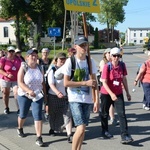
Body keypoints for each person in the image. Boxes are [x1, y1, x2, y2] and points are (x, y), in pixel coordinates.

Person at [63, 36, 99, 150]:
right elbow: (66, 83)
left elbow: (94, 82)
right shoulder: (70, 61)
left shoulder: (90, 61)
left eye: (85, 45)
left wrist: (97, 100)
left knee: (82, 130)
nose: (84, 47)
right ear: (75, 47)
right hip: (75, 98)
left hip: (87, 99)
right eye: (81, 45)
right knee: (81, 128)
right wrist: (85, 83)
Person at [100, 47, 133, 144]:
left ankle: (125, 135)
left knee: (121, 114)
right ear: (110, 56)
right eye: (114, 56)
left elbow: (124, 79)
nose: (116, 58)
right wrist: (111, 94)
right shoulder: (107, 66)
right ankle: (105, 131)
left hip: (118, 93)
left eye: (118, 56)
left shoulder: (122, 65)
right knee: (105, 113)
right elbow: (104, 82)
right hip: (106, 93)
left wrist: (127, 92)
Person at [17, 49, 46, 147]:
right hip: (24, 95)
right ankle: (20, 128)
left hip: (37, 95)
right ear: (27, 57)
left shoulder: (40, 68)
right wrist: (29, 91)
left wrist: (45, 96)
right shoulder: (24, 67)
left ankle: (39, 137)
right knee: (23, 114)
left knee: (38, 115)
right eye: (32, 55)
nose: (34, 57)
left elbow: (43, 83)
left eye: (35, 55)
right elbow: (20, 82)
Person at [99, 48, 119, 126]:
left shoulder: (114, 62)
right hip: (104, 84)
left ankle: (112, 117)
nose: (110, 54)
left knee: (112, 103)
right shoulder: (103, 62)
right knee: (108, 103)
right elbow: (103, 74)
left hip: (114, 85)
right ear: (105, 54)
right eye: (109, 53)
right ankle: (109, 118)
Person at [0, 46, 22, 114]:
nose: (12, 53)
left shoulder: (18, 59)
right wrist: (7, 74)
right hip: (5, 79)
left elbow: (22, 67)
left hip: (16, 79)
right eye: (10, 51)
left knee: (16, 93)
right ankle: (6, 107)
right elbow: (0, 69)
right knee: (6, 94)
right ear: (7, 52)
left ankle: (19, 109)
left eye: (13, 51)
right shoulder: (3, 59)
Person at [37, 47, 51, 121]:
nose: (45, 54)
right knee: (41, 96)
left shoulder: (50, 61)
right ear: (41, 53)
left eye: (46, 52)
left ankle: (47, 112)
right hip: (40, 81)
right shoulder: (39, 61)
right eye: (44, 52)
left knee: (47, 96)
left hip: (49, 81)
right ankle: (40, 111)